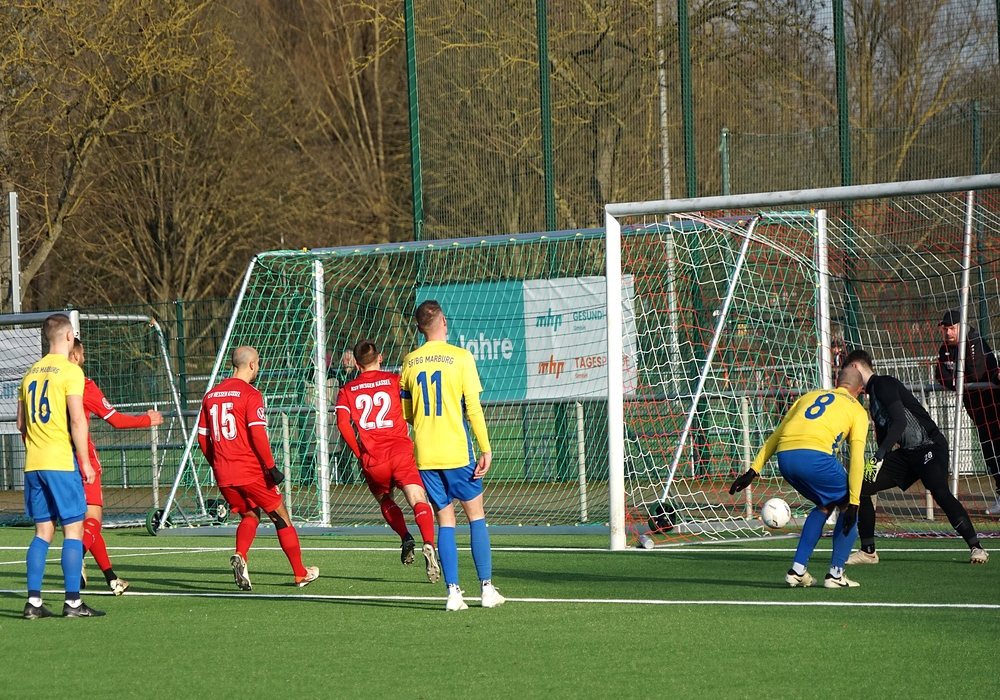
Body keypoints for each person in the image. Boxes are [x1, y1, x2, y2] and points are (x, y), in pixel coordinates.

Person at [400, 300, 505, 611]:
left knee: (445, 521)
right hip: (458, 452)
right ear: (443, 322)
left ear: (420, 329)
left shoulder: (410, 362)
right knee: (476, 516)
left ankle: (453, 594)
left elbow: (407, 413)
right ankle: (486, 589)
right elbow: (473, 408)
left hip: (426, 455)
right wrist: (485, 448)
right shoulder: (461, 357)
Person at [844, 349, 989, 565]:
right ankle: (868, 552)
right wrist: (878, 461)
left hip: (929, 446)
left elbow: (900, 422)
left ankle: (976, 547)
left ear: (855, 367)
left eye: (846, 370)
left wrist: (879, 456)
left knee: (939, 491)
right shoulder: (872, 396)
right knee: (863, 485)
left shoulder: (883, 383)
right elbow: (885, 434)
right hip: (907, 453)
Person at [729, 367, 869, 588]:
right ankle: (836, 575)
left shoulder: (808, 397)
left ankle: (797, 570)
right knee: (849, 505)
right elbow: (858, 458)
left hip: (785, 459)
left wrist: (752, 471)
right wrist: (853, 501)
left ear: (837, 381)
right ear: (860, 390)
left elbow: (776, 435)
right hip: (816, 458)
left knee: (825, 504)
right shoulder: (857, 410)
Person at [198, 345, 319, 590]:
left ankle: (240, 555)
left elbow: (203, 438)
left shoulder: (211, 395)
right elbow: (257, 434)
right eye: (258, 365)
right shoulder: (251, 393)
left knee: (250, 515)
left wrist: (218, 464)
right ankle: (300, 573)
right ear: (252, 365)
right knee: (281, 517)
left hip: (223, 474)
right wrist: (271, 467)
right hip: (251, 471)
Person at [18, 314, 105, 618]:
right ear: (69, 337)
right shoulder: (70, 371)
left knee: (43, 531)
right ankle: (73, 602)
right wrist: (85, 462)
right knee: (73, 529)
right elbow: (78, 420)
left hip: (33, 463)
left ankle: (33, 603)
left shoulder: (29, 374)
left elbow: (20, 424)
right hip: (60, 460)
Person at [336, 339, 440, 582]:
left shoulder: (347, 390)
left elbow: (342, 423)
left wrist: (359, 453)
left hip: (374, 459)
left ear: (356, 364)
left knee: (385, 499)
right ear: (380, 358)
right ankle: (429, 543)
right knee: (417, 498)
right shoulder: (395, 380)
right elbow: (414, 408)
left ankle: (405, 536)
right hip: (400, 452)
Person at [69, 338, 164, 595]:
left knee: (80, 524)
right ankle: (73, 560)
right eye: (83, 353)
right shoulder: (82, 384)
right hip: (82, 460)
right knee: (93, 522)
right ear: (76, 356)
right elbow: (117, 420)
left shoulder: (48, 384)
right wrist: (147, 420)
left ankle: (111, 578)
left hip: (55, 460)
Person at [934, 309, 1000, 516]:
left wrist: (957, 380)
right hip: (976, 409)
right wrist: (956, 383)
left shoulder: (974, 341)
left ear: (961, 327)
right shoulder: (945, 348)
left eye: (951, 328)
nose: (947, 332)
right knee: (990, 453)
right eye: (945, 329)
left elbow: (975, 373)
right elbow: (940, 374)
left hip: (993, 405)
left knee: (998, 449)